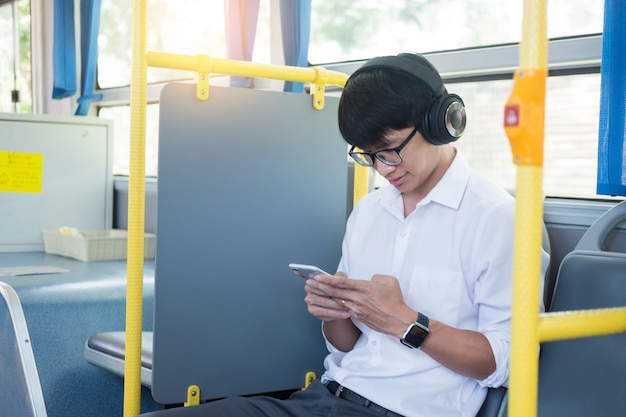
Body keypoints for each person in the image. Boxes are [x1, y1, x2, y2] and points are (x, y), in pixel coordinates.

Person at [141, 53, 548, 417]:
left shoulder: (497, 219)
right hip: (323, 397)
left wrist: (408, 323)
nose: (382, 169)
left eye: (389, 150)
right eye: (367, 156)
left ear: (440, 124)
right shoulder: (370, 211)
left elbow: (510, 362)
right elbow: (348, 346)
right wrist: (335, 313)